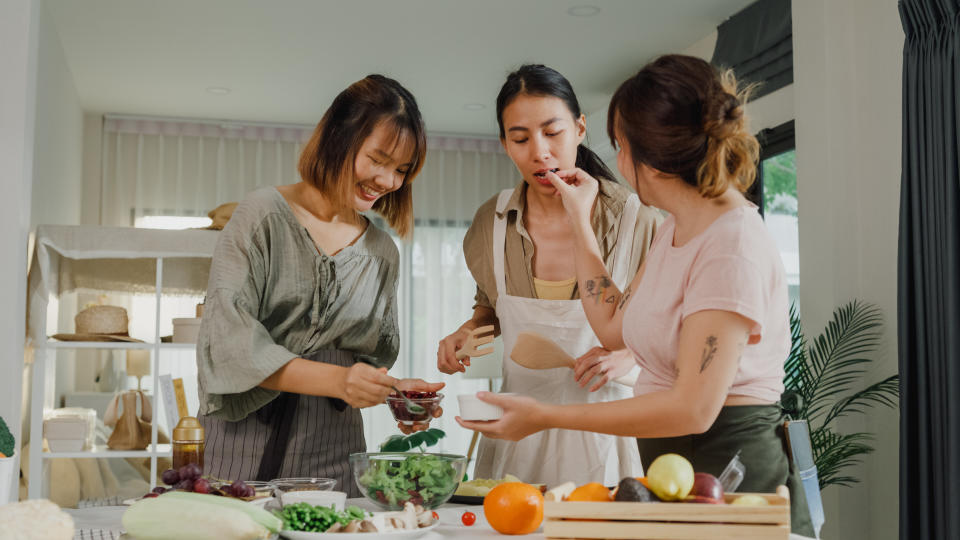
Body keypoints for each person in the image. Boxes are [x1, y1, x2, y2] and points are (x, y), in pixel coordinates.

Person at [456, 55, 814, 536]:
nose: (616, 162)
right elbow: (612, 324)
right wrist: (580, 221)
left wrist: (547, 416)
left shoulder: (732, 247)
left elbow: (693, 407)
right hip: (670, 462)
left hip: (726, 468)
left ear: (655, 157)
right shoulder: (676, 231)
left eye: (621, 147)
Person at [196, 74, 442, 497]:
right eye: (378, 159)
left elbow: (359, 362)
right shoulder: (263, 215)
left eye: (401, 170)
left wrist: (394, 392)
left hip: (336, 450)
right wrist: (339, 381)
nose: (388, 181)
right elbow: (228, 344)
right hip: (246, 443)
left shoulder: (382, 251)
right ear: (338, 137)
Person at [438, 65, 661, 487]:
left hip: (605, 431)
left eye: (552, 133)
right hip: (515, 438)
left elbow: (668, 330)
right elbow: (491, 309)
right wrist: (466, 335)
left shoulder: (636, 221)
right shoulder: (494, 221)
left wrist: (629, 354)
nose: (539, 152)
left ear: (579, 129)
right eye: (520, 139)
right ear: (505, 145)